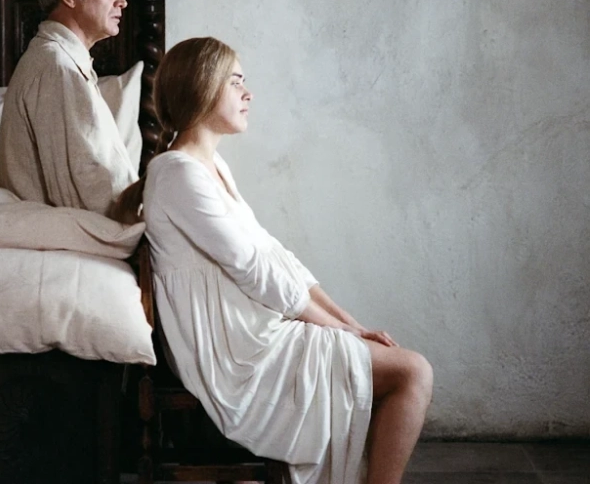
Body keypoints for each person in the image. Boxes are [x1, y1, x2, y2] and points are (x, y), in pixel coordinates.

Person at [114, 37, 433, 484]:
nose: (248, 93)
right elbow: (253, 269)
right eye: (235, 82)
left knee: (398, 366)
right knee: (413, 372)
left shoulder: (210, 167)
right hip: (237, 355)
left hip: (254, 333)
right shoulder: (177, 174)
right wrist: (338, 330)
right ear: (203, 87)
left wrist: (350, 323)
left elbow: (276, 256)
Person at [0, 0, 138, 216]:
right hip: (77, 229)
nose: (122, 1)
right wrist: (140, 220)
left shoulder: (63, 61)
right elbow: (81, 192)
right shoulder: (57, 67)